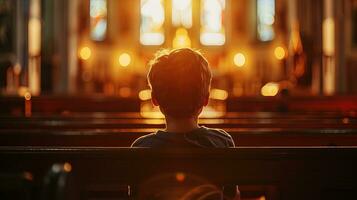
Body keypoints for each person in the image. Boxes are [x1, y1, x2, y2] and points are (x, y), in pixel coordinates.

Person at [131, 48, 239, 199]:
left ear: (154, 99)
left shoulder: (140, 148)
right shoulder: (222, 142)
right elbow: (232, 197)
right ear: (206, 99)